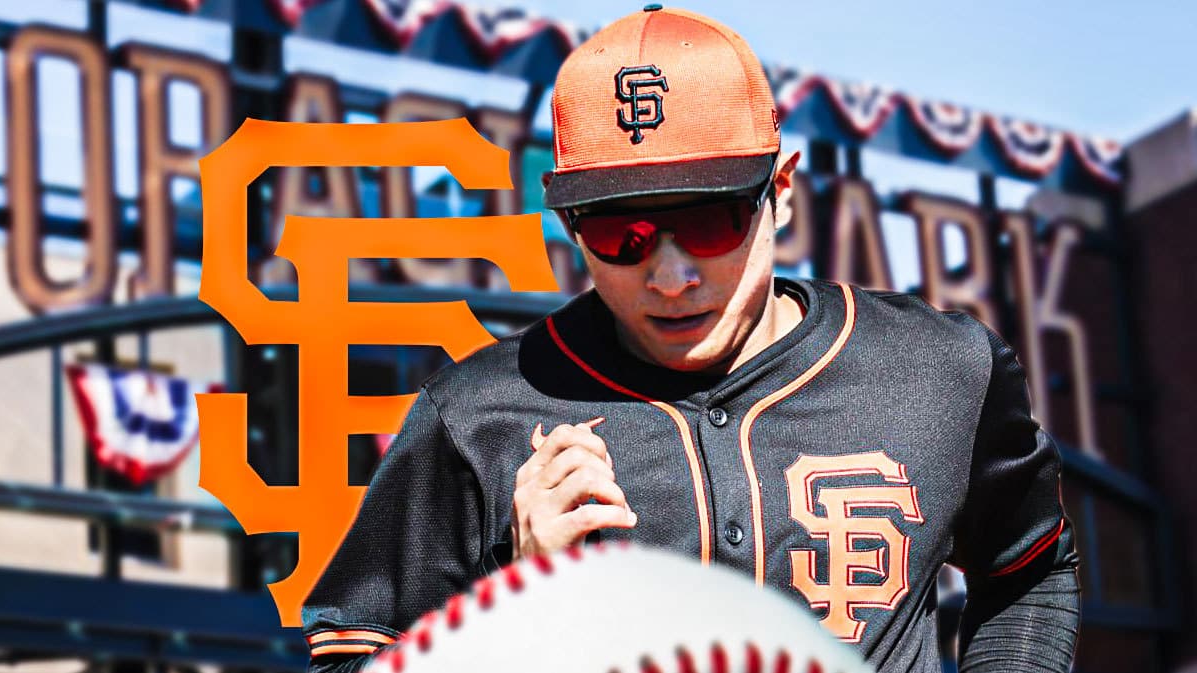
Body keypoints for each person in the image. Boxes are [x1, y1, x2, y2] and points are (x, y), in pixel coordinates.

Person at [301, 5, 1080, 672]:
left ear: (778, 193)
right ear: (572, 225)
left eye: (709, 220)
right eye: (621, 231)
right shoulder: (475, 417)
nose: (669, 275)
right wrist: (519, 612)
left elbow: (1029, 568)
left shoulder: (938, 370)